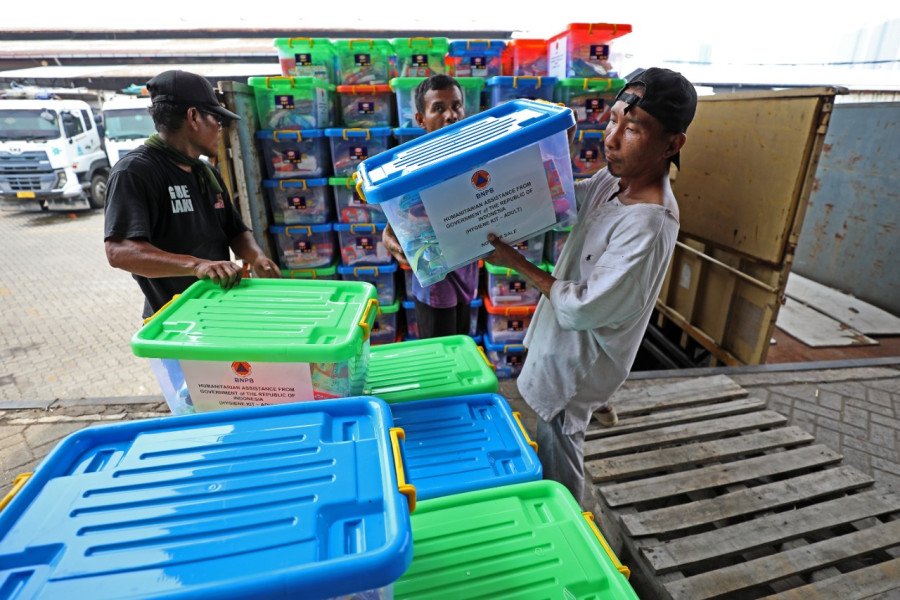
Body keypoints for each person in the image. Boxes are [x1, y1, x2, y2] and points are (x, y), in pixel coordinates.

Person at [485, 67, 698, 506]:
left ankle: (570, 530)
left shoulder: (649, 223)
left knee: (560, 450)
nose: (612, 137)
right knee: (548, 435)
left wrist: (515, 262)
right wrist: (548, 160)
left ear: (672, 144)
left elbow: (584, 307)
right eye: (613, 119)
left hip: (577, 365)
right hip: (560, 348)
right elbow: (568, 199)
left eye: (633, 128)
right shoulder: (614, 182)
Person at [104, 69, 280, 320]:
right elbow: (119, 251)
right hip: (172, 321)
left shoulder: (206, 171)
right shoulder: (135, 171)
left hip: (217, 310)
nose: (220, 128)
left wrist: (257, 258)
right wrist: (197, 265)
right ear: (194, 117)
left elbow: (234, 230)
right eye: (216, 119)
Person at [382, 74, 479, 338]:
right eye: (438, 108)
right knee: (442, 358)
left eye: (456, 105)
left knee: (462, 351)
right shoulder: (413, 167)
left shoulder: (473, 155)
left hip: (467, 278)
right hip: (436, 282)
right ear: (421, 119)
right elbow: (397, 223)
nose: (451, 115)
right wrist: (391, 237)